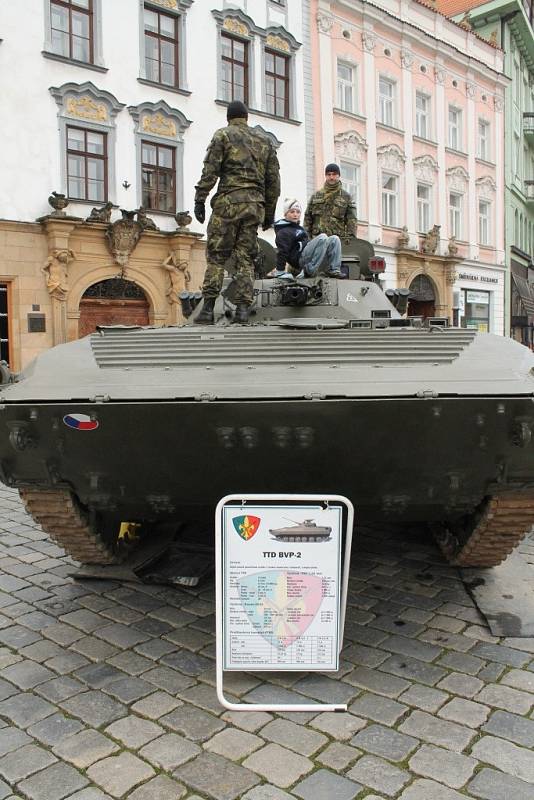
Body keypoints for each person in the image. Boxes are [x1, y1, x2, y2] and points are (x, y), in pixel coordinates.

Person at [193, 101, 281, 324]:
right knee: (245, 258)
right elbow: (274, 183)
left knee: (216, 256)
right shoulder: (265, 141)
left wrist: (200, 199)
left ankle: (207, 310)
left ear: (229, 118)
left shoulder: (223, 135)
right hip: (253, 207)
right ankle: (242, 309)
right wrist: (269, 214)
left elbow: (210, 170)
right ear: (247, 117)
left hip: (227, 204)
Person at [303, 163, 358, 277]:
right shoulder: (316, 196)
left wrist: (350, 239)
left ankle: (334, 270)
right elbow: (308, 218)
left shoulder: (346, 197)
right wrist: (306, 238)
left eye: (334, 174)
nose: (331, 177)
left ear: (338, 176)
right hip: (317, 240)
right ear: (326, 176)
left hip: (337, 241)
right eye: (329, 174)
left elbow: (351, 220)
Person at [270, 198, 345, 279]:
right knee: (322, 237)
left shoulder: (298, 228)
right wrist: (280, 271)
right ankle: (309, 270)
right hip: (299, 259)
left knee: (335, 239)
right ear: (285, 214)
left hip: (306, 254)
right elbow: (282, 252)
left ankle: (333, 269)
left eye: (298, 212)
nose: (295, 215)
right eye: (292, 212)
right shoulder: (283, 231)